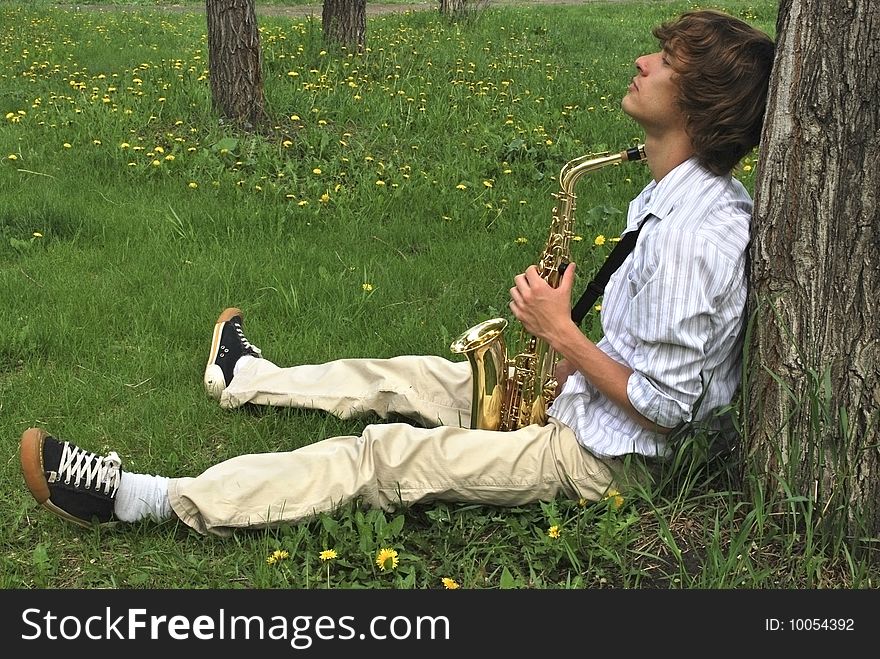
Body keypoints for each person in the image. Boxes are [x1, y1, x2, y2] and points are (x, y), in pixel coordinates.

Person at [19, 9, 775, 536]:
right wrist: (560, 338)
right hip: (578, 401)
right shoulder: (673, 197)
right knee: (407, 374)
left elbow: (668, 408)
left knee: (385, 454)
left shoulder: (696, 238)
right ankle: (248, 379)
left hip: (604, 459)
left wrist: (559, 332)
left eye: (668, 61)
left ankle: (141, 499)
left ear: (701, 105)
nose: (644, 61)